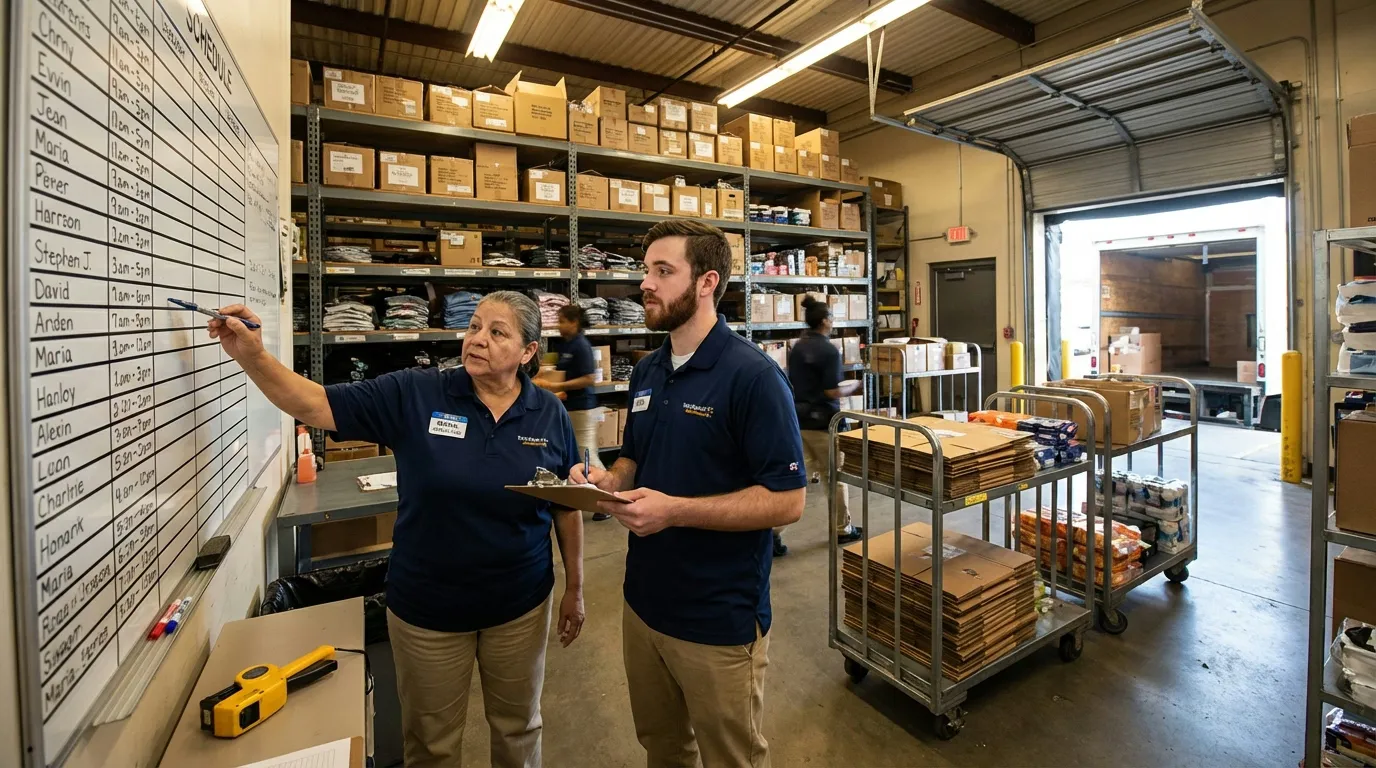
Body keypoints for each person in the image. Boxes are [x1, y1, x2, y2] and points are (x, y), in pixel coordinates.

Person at [207, 291, 585, 768]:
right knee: (431, 743)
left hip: (520, 607)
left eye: (497, 332)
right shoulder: (416, 393)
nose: (477, 340)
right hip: (428, 610)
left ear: (529, 351)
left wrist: (576, 586)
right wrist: (254, 356)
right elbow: (315, 404)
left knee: (519, 730)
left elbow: (567, 505)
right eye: (473, 327)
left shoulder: (548, 412)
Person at [571, 219, 806, 768]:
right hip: (643, 604)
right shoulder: (649, 370)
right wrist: (610, 481)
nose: (645, 284)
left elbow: (788, 501)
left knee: (732, 757)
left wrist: (675, 511)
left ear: (706, 283)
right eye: (645, 270)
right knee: (664, 747)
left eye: (662, 271)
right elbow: (634, 456)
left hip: (717, 618)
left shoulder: (753, 377)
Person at [774, 296, 865, 557]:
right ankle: (842, 528)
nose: (833, 322)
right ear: (825, 321)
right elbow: (830, 391)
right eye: (832, 318)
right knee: (835, 478)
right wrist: (853, 386)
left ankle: (772, 533)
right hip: (825, 424)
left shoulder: (799, 347)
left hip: (799, 422)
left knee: (797, 481)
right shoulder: (828, 350)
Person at [537, 303, 610, 521]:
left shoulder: (581, 346)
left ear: (574, 323)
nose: (559, 326)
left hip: (584, 408)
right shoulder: (566, 345)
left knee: (588, 453)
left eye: (562, 321)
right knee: (572, 454)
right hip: (569, 407)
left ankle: (607, 501)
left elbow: (589, 378)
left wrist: (558, 387)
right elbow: (562, 373)